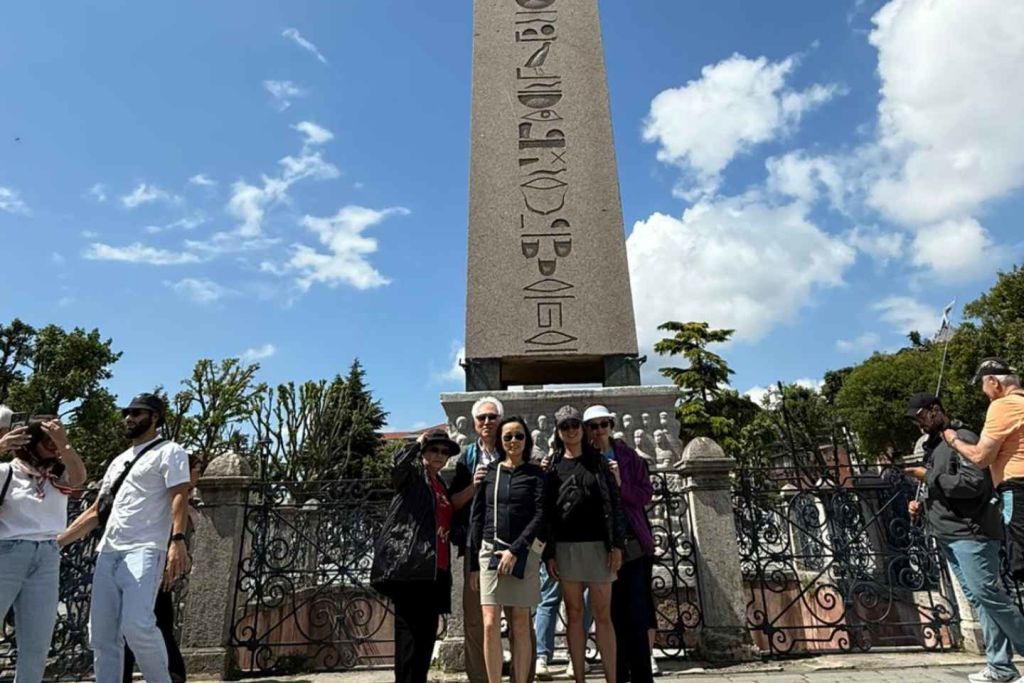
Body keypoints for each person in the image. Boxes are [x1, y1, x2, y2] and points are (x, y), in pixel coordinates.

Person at [61, 393, 192, 683]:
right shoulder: (119, 460)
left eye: (136, 413)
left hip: (145, 548)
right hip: (108, 550)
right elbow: (97, 511)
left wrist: (177, 540)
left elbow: (180, 495)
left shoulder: (170, 451)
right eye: (126, 413)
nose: (128, 418)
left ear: (154, 417)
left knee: (137, 625)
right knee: (102, 634)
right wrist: (58, 541)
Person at [904, 392, 1024, 683]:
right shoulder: (935, 447)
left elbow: (973, 484)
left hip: (971, 533)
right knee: (980, 600)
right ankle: (1000, 667)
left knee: (990, 596)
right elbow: (944, 488)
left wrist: (928, 477)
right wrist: (922, 504)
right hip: (948, 532)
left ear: (935, 410)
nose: (919, 424)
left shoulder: (963, 438)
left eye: (921, 417)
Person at [0, 415, 87, 683]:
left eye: (56, 440)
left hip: (47, 554)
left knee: (37, 643)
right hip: (7, 552)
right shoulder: (7, 472)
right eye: (47, 441)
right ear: (30, 442)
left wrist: (65, 444)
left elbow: (79, 479)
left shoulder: (57, 477)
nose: (54, 446)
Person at [543, 405, 625, 683]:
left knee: (603, 615)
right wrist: (549, 553)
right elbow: (548, 513)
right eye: (565, 426)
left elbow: (614, 504)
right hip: (566, 546)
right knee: (574, 613)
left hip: (599, 545)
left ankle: (612, 678)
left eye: (575, 425)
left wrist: (617, 544)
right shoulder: (552, 467)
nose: (571, 430)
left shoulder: (600, 463)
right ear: (558, 431)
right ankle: (579, 677)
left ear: (582, 428)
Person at [371, 429, 457, 683]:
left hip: (436, 569)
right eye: (433, 449)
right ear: (423, 452)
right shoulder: (414, 477)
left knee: (426, 637)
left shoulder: (440, 484)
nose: (439, 455)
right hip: (412, 567)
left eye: (444, 451)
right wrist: (417, 443)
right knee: (409, 638)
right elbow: (397, 466)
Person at [469, 417, 545, 683]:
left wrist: (516, 549)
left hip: (522, 552)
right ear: (500, 442)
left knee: (521, 622)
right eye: (508, 437)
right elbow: (478, 516)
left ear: (527, 440)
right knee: (490, 623)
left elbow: (540, 515)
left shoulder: (536, 474)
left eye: (519, 436)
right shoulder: (489, 472)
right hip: (491, 549)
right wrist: (474, 564)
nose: (514, 441)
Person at [584, 405, 655, 683]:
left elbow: (644, 495)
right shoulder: (584, 459)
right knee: (611, 614)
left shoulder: (629, 457)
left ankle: (642, 675)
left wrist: (620, 483)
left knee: (637, 613)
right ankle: (618, 674)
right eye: (593, 426)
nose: (599, 430)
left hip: (632, 544)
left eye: (604, 424)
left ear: (611, 426)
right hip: (600, 547)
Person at [943, 358, 1024, 580]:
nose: (984, 392)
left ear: (994, 382)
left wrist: (953, 440)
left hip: (1018, 488)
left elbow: (980, 457)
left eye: (983, 385)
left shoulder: (1002, 406)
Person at [448, 396, 505, 683]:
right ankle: (480, 678)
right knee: (475, 619)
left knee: (519, 617)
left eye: (492, 417)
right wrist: (474, 485)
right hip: (477, 545)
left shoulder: (513, 447)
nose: (487, 422)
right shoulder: (467, 458)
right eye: (482, 417)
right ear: (474, 423)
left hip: (511, 545)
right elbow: (454, 502)